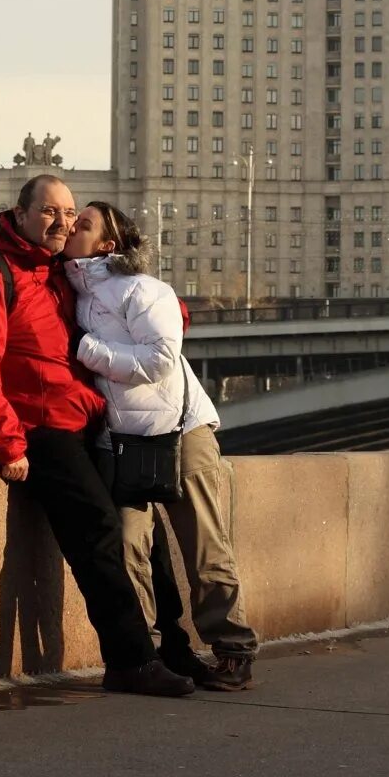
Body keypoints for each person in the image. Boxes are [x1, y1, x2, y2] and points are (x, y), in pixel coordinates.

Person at [0, 175, 194, 698]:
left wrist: (163, 310)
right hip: (38, 429)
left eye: (70, 213)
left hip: (86, 422)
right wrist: (6, 443)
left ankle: (176, 648)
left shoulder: (56, 272)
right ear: (21, 213)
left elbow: (127, 300)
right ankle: (130, 661)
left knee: (141, 524)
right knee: (99, 530)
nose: (63, 222)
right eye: (50, 212)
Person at [63, 199, 259, 692]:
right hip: (122, 440)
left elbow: (161, 359)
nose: (70, 227)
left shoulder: (144, 289)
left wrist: (88, 350)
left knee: (203, 544)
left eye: (81, 224)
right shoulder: (70, 292)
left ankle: (233, 648)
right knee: (127, 545)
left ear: (107, 244)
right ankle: (145, 653)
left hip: (181, 432)